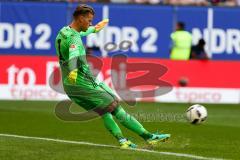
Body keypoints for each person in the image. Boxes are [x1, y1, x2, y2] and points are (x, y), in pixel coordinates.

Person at [55, 4, 170, 149]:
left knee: (105, 109)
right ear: (80, 18)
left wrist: (95, 28)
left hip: (71, 85)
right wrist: (73, 72)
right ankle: (145, 137)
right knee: (113, 105)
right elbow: (73, 55)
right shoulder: (75, 40)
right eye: (89, 21)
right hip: (81, 81)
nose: (90, 23)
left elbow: (81, 33)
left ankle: (127, 140)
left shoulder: (65, 31)